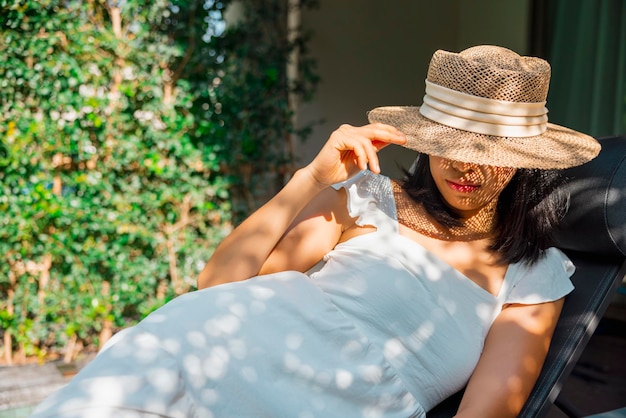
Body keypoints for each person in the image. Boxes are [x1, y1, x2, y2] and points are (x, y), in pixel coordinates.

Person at [31, 45, 600, 418]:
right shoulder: (370, 200)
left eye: (492, 152)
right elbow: (219, 287)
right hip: (220, 342)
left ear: (526, 158)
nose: (466, 167)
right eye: (446, 145)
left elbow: (489, 411)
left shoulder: (530, 275)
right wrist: (310, 179)